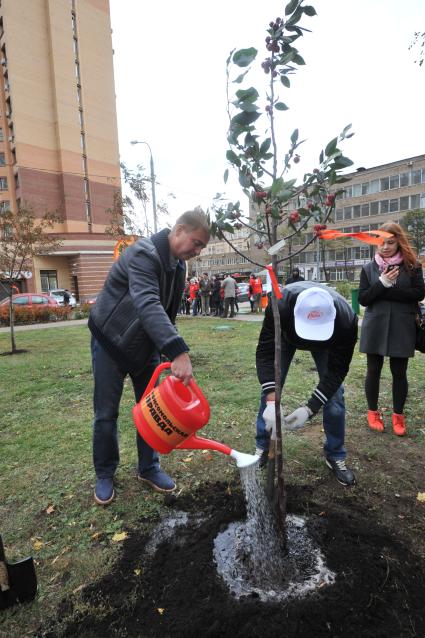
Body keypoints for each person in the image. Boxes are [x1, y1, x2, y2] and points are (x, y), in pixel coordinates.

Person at [88, 208, 210, 505]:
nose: (196, 251)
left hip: (145, 348)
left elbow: (166, 314)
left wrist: (165, 351)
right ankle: (105, 473)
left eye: (201, 248)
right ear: (179, 230)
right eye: (196, 243)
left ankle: (148, 468)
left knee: (152, 410)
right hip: (110, 342)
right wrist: (178, 351)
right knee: (106, 414)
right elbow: (147, 302)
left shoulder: (178, 266)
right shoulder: (144, 253)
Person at [255, 282, 358, 486]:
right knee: (271, 387)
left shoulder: (346, 320)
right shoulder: (279, 307)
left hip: (330, 341)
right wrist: (270, 400)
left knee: (335, 397)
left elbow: (337, 371)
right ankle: (263, 446)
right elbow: (266, 354)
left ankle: (335, 454)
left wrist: (310, 409)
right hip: (286, 338)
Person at [358, 222, 425, 436]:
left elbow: (418, 294)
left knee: (399, 372)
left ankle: (398, 416)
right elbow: (364, 299)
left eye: (390, 242)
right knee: (373, 370)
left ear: (399, 242)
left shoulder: (413, 266)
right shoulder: (368, 268)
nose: (385, 247)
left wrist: (386, 290)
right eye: (381, 242)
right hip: (375, 323)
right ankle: (372, 412)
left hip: (402, 325)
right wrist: (382, 283)